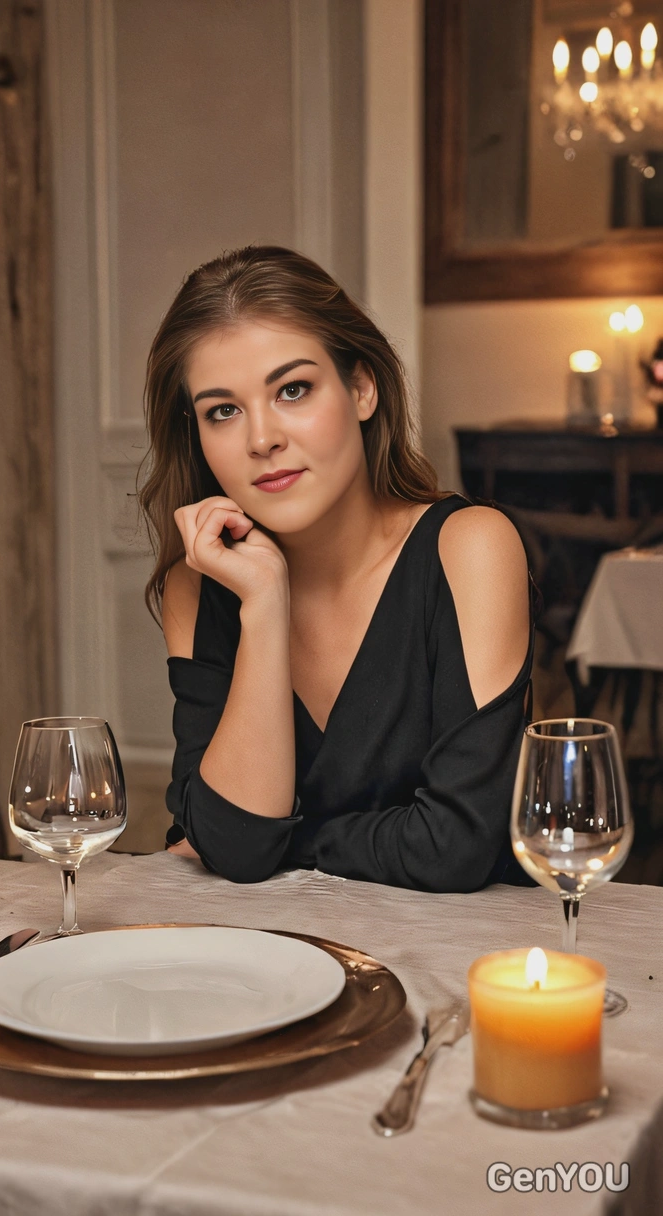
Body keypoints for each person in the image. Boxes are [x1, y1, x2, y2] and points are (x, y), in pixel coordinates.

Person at [138, 246, 533, 892]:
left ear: (361, 388)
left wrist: (288, 841)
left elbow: (454, 846)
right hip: (275, 967)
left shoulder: (471, 548)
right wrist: (264, 603)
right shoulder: (201, 584)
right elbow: (235, 845)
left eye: (292, 390)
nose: (261, 438)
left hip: (468, 964)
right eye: (223, 410)